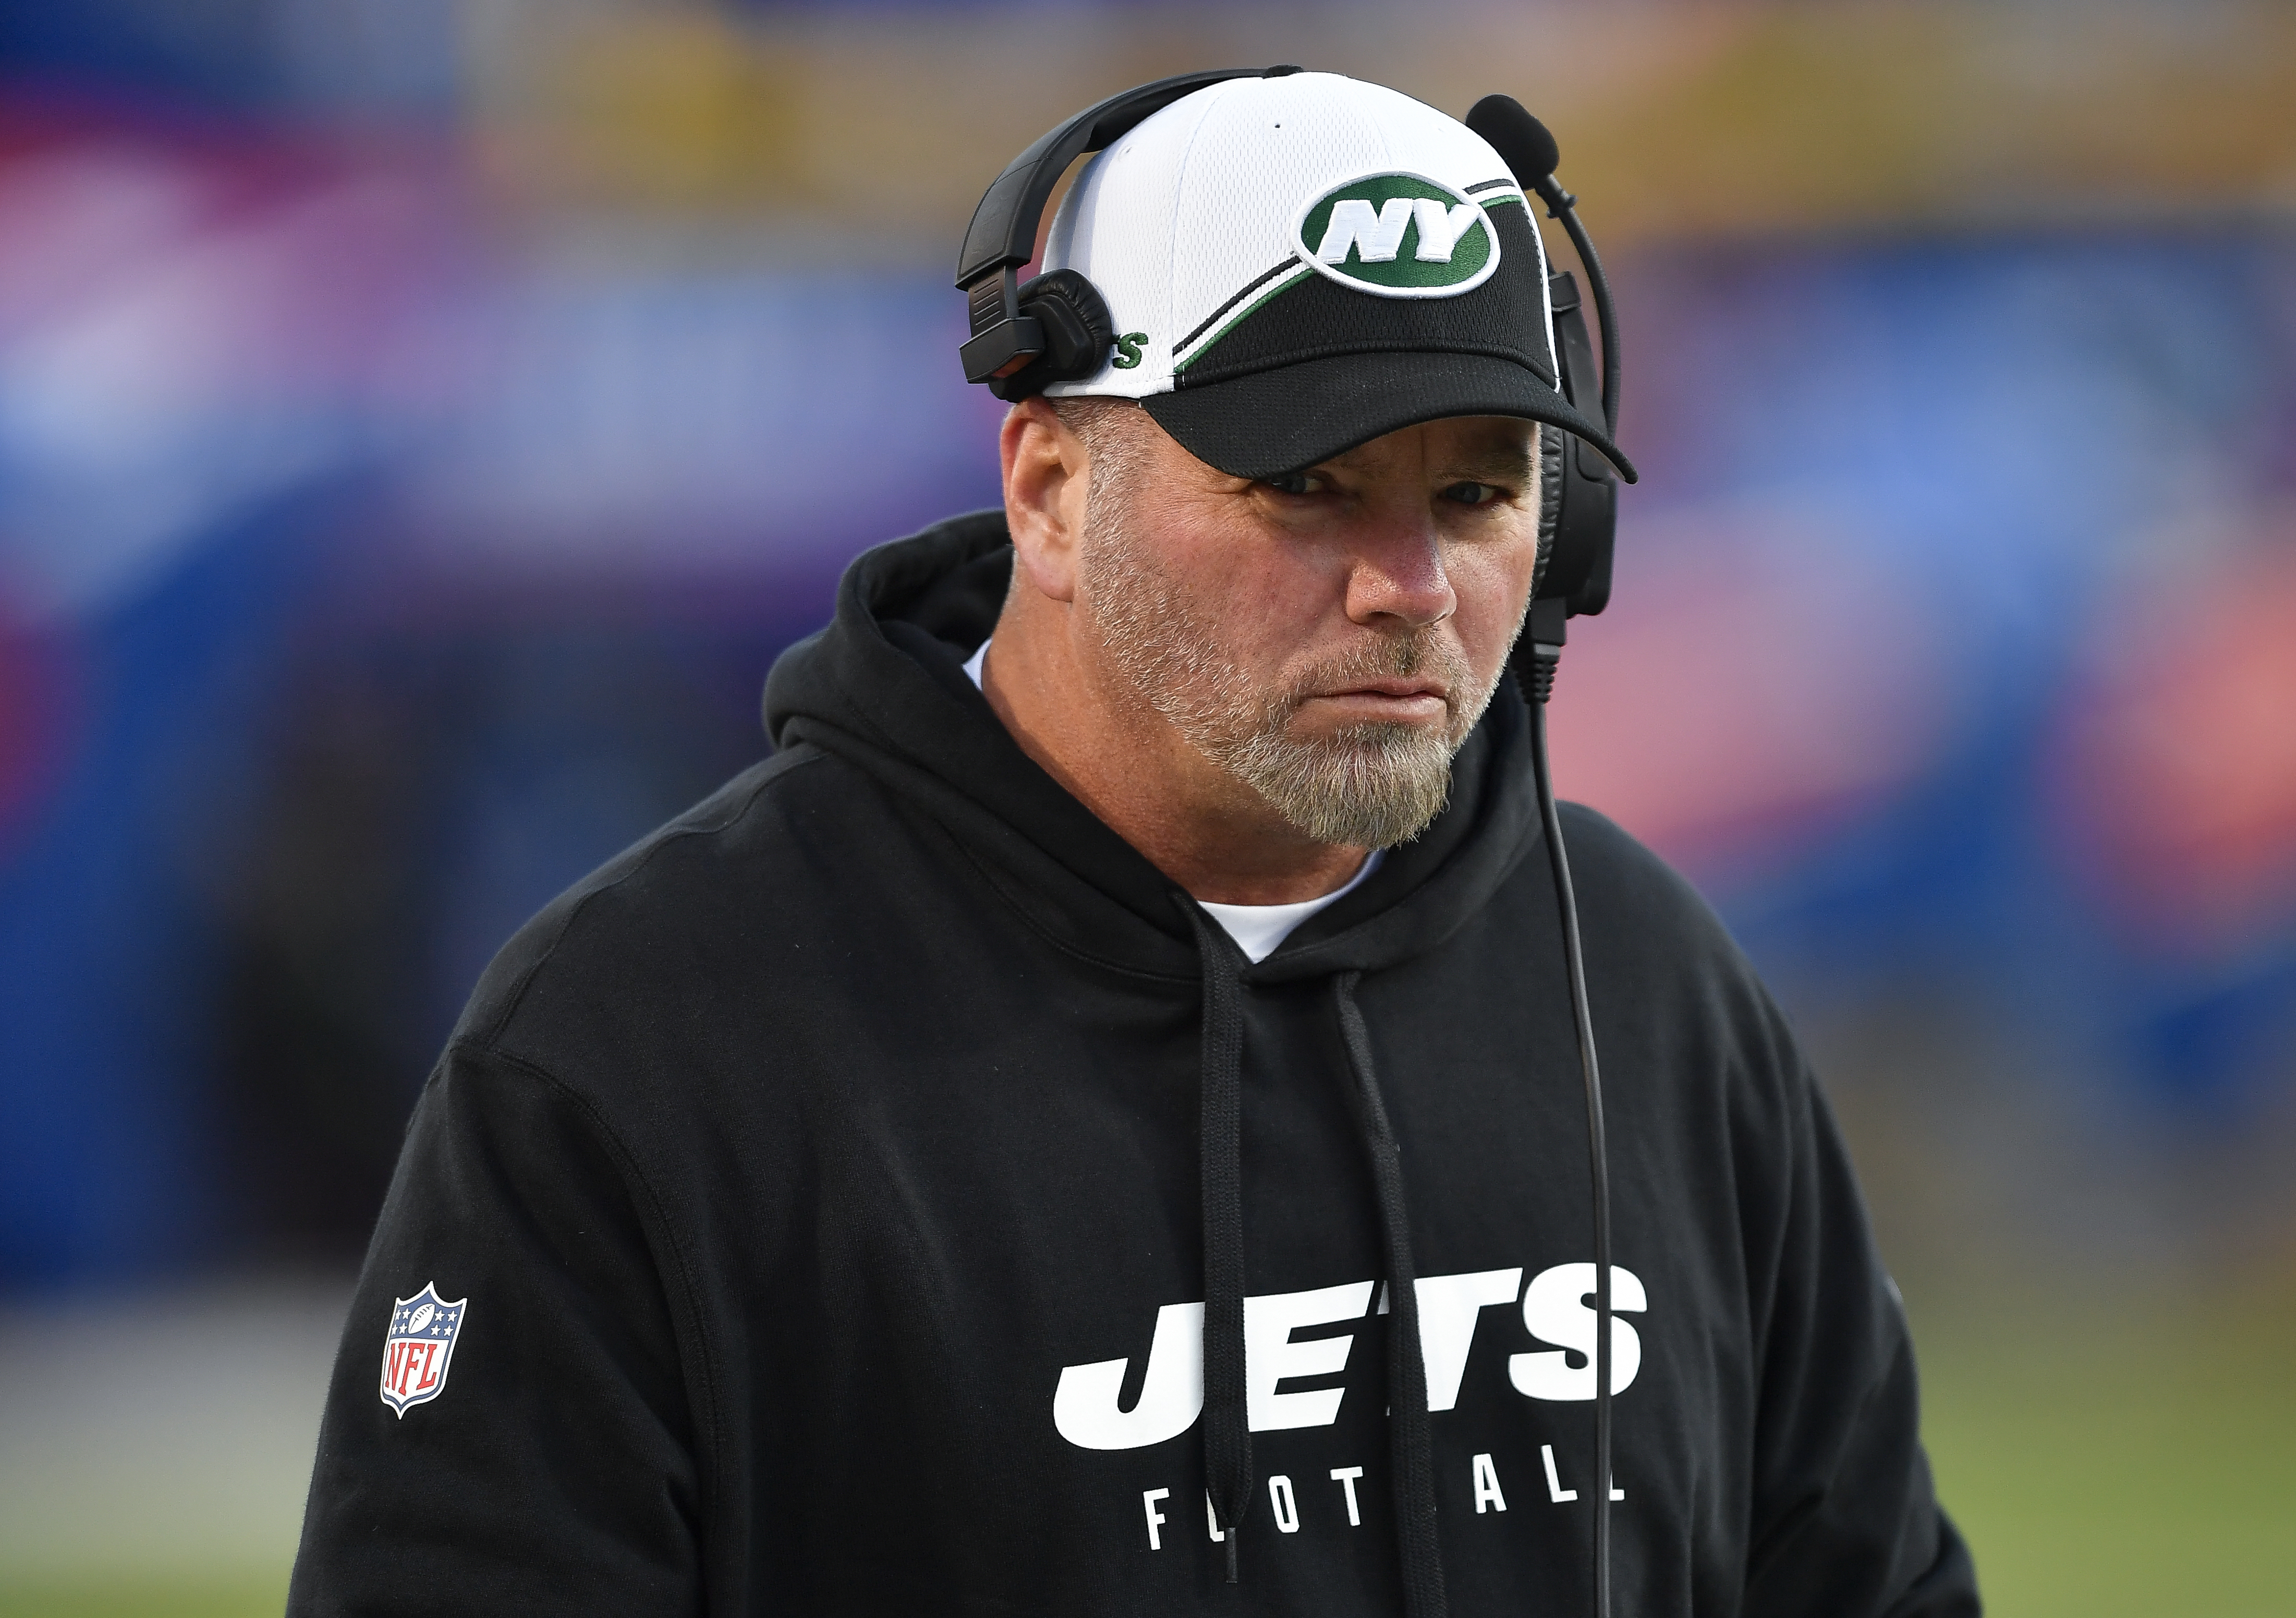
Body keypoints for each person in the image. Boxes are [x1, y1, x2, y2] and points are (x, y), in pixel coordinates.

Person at [288, 70, 1977, 1617]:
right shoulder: (645, 1041)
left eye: (1477, 496)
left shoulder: (1643, 977)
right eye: (1309, 486)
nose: (1411, 587)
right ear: (1046, 490)